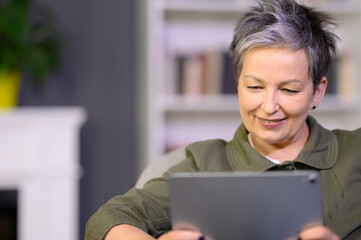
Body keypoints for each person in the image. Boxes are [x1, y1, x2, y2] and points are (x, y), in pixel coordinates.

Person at [85, 0, 361, 239]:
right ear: (237, 83)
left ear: (318, 91)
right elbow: (107, 220)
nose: (269, 106)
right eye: (254, 87)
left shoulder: (355, 152)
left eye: (289, 90)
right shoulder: (205, 162)